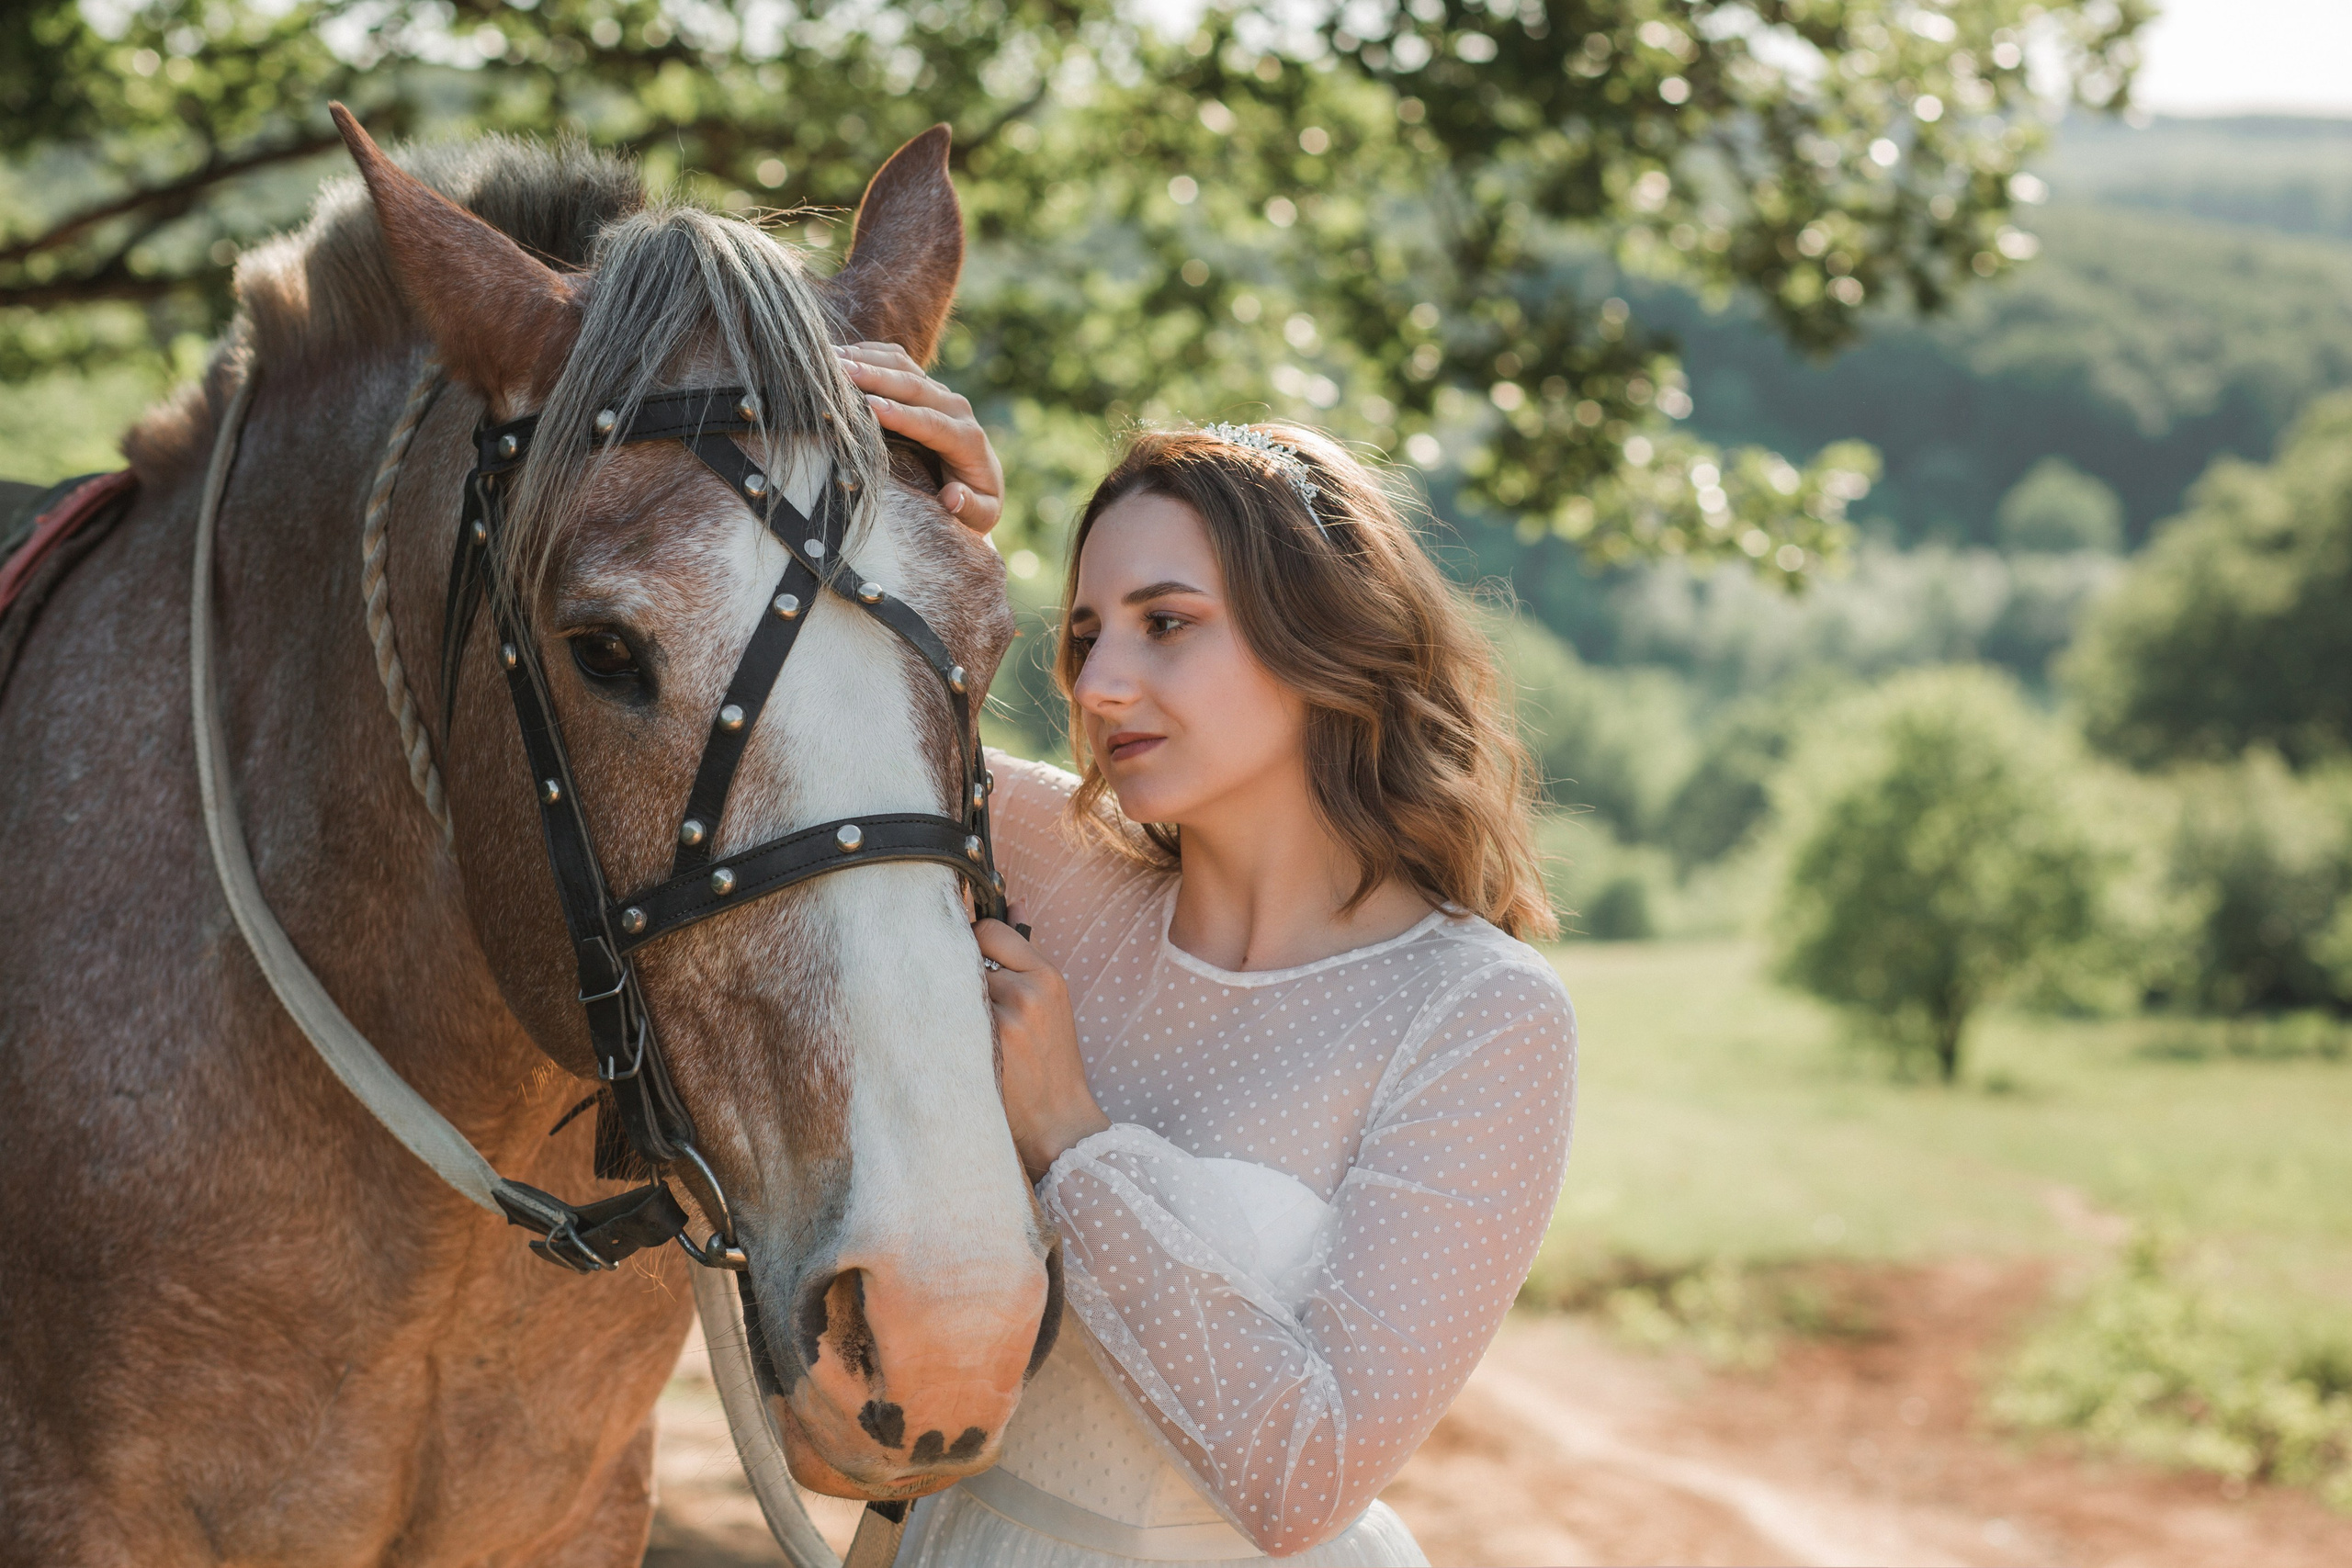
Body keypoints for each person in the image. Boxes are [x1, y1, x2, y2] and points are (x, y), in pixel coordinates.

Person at [840, 344, 1577, 1566]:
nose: (1102, 684)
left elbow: (1306, 1478)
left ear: (1323, 633)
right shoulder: (1035, 853)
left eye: (1166, 623)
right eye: (1082, 635)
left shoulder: (1477, 1017)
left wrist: (1076, 1148)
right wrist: (928, 531)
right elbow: (821, 726)